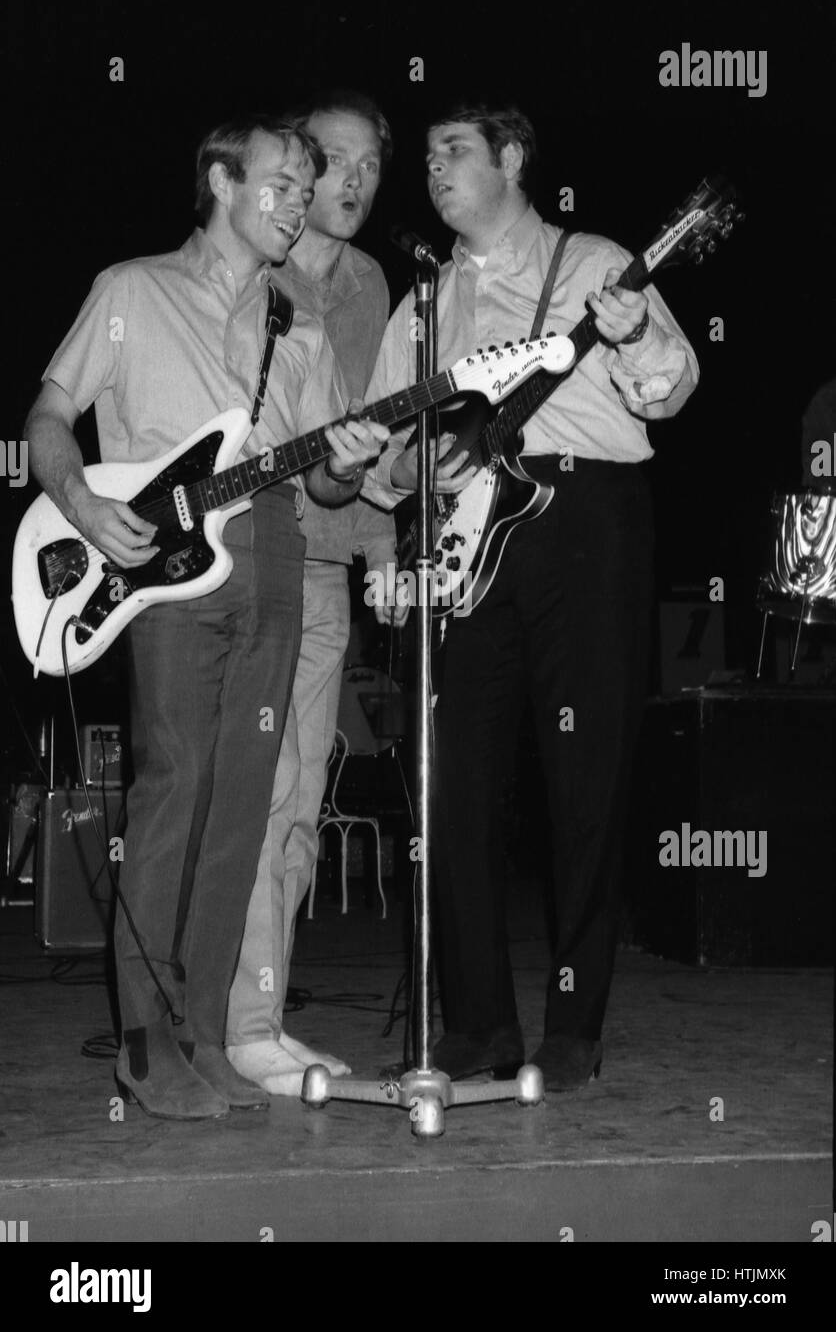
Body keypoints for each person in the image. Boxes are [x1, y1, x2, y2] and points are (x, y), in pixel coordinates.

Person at [23, 115, 388, 1120]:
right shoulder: (131, 290)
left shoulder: (299, 321)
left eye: (306, 188)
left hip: (273, 549)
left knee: (242, 798)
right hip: (169, 564)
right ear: (222, 182)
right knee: (176, 785)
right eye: (281, 183)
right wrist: (86, 506)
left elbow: (320, 485)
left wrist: (349, 458)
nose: (299, 203)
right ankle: (144, 1040)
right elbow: (49, 415)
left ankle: (200, 1032)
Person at [363, 102, 699, 1090]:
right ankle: (474, 1027)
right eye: (424, 157)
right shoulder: (422, 303)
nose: (432, 168)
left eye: (453, 150)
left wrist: (633, 337)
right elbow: (381, 453)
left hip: (585, 519)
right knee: (452, 774)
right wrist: (398, 462)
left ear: (512, 159)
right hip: (465, 532)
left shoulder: (597, 262)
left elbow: (671, 388)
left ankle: (572, 1024)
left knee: (584, 774)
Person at [226, 91, 408, 1096]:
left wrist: (381, 545)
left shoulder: (376, 280)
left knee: (299, 804)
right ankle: (233, 1019)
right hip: (244, 560)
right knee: (247, 800)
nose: (348, 182)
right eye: (329, 161)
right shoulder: (259, 260)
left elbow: (368, 434)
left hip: (327, 562)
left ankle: (262, 1014)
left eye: (368, 166)